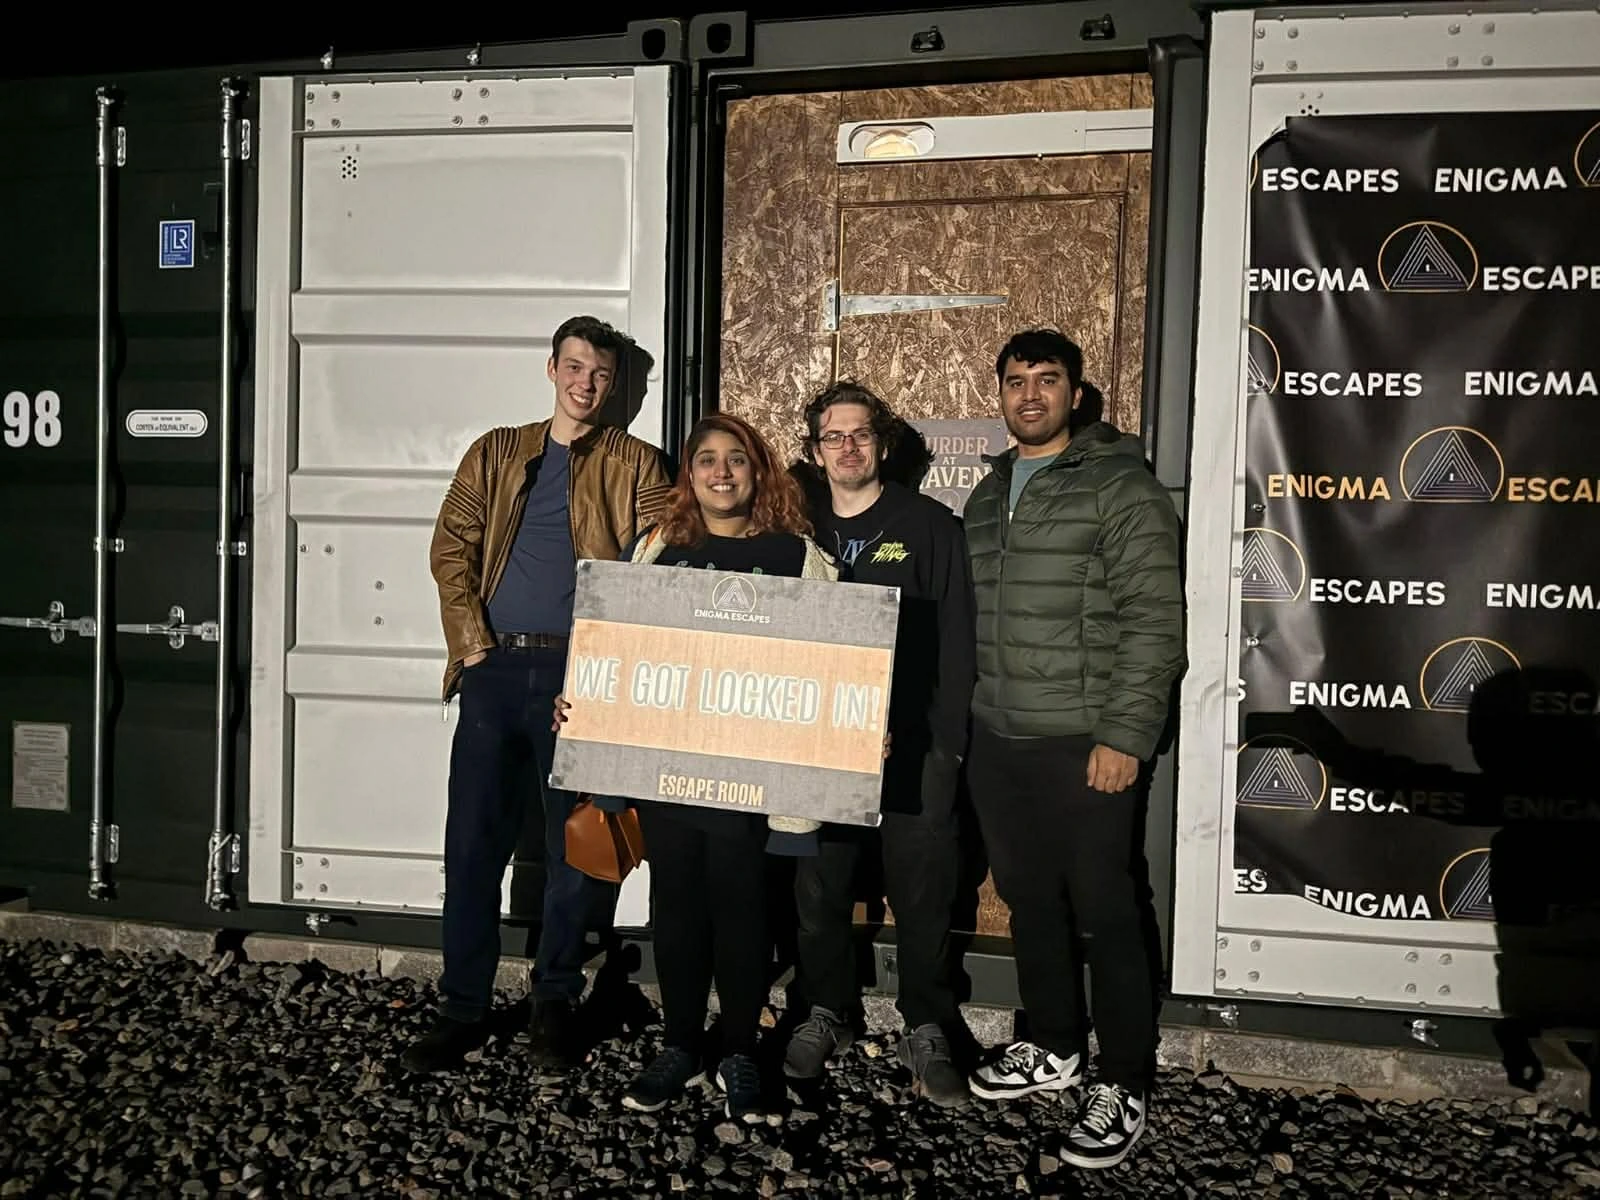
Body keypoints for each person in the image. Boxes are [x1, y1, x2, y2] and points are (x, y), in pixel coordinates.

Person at [402, 315, 673, 1075]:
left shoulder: (637, 464)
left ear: (616, 385)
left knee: (577, 852)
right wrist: (472, 643)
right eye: (576, 368)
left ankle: (554, 1002)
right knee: (473, 845)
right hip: (493, 673)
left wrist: (608, 669)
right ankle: (462, 1006)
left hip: (578, 685)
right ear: (551, 369)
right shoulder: (496, 452)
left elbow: (669, 552)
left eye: (602, 375)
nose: (587, 384)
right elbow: (451, 546)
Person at [556, 413, 840, 1123]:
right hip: (670, 772)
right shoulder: (659, 549)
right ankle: (681, 1043)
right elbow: (614, 646)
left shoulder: (793, 557)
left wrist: (854, 735)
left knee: (744, 911)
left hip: (750, 777)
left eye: (736, 459)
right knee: (676, 905)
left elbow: (838, 665)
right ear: (689, 476)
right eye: (706, 460)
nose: (721, 472)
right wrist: (582, 704)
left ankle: (739, 1048)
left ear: (758, 471)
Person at [962, 329, 1184, 1169]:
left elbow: (1155, 622)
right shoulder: (986, 497)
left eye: (1046, 381)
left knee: (1106, 904)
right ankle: (1054, 1042)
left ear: (1076, 394)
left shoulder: (1120, 488)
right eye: (1015, 381)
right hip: (1000, 737)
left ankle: (1123, 1076)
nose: (1029, 395)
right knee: (1028, 898)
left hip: (1085, 741)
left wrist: (1125, 735)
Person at [781, 382, 977, 1109]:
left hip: (916, 748)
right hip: (822, 745)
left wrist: (947, 748)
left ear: (883, 445)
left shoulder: (929, 527)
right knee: (822, 888)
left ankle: (926, 1022)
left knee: (923, 893)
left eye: (861, 435)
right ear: (815, 450)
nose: (848, 448)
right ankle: (825, 1007)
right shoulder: (795, 529)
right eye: (834, 437)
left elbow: (958, 645)